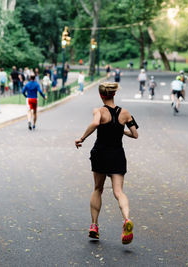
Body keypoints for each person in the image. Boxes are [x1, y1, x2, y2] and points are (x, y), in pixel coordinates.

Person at [75, 82, 138, 245]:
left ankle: (94, 226)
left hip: (101, 154)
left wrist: (81, 138)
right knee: (119, 192)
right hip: (117, 154)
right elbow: (135, 134)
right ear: (113, 94)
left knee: (98, 188)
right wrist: (120, 129)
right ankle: (126, 220)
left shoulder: (99, 111)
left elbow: (96, 123)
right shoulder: (125, 113)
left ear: (101, 95)